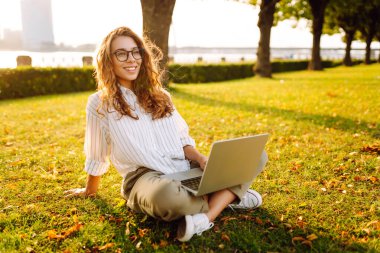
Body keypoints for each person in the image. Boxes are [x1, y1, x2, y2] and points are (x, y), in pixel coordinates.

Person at [64, 26, 268, 242]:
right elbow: (97, 153)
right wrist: (90, 190)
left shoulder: (161, 96)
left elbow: (182, 140)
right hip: (146, 180)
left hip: (185, 170)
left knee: (257, 154)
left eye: (135, 52)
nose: (131, 59)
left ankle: (207, 215)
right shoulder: (100, 103)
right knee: (166, 197)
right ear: (108, 59)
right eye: (121, 53)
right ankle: (230, 197)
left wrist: (200, 159)